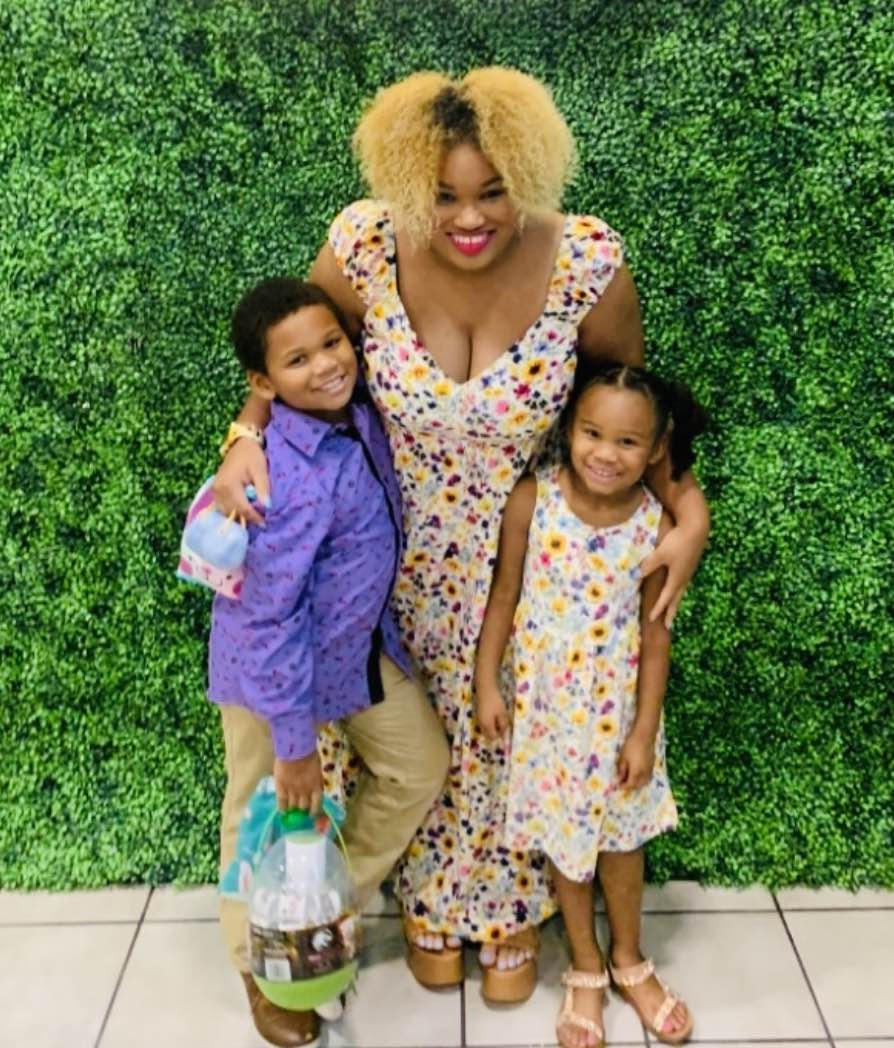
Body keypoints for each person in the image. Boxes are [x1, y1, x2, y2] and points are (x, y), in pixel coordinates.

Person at [213, 68, 710, 1001]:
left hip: (533, 555)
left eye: (492, 191)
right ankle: (407, 909)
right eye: (442, 195)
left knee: (506, 726)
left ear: (529, 173)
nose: (468, 216)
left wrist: (691, 516)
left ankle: (506, 907)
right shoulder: (363, 243)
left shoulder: (587, 262)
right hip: (385, 554)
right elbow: (289, 349)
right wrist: (245, 436)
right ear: (409, 184)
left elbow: (635, 413)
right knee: (415, 736)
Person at [209, 277, 449, 1047]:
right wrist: (295, 745)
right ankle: (258, 958)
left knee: (418, 767)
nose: (325, 366)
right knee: (260, 816)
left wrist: (241, 428)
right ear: (263, 382)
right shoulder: (277, 480)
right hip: (267, 678)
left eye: (332, 344)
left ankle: (320, 908)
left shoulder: (354, 415)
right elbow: (270, 620)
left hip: (354, 655)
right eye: (298, 359)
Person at [475, 361, 706, 1048]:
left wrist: (643, 733)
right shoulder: (532, 500)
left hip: (618, 720)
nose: (606, 453)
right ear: (568, 430)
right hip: (548, 719)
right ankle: (584, 966)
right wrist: (488, 680)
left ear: (657, 448)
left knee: (621, 842)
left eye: (628, 442)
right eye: (592, 433)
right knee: (566, 845)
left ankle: (630, 958)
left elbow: (656, 637)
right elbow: (504, 597)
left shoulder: (655, 526)